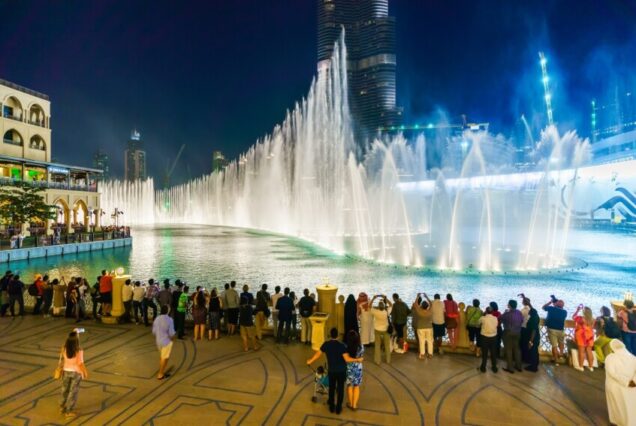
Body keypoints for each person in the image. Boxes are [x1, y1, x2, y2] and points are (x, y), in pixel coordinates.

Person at [307, 327, 363, 415]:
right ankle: (338, 408)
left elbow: (318, 354)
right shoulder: (342, 346)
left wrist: (310, 361)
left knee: (332, 388)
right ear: (338, 336)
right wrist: (357, 360)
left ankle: (332, 407)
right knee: (340, 389)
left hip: (332, 371)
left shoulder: (326, 344)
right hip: (341, 371)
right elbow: (347, 359)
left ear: (330, 335)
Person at [604, 339, 636, 426]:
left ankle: (618, 421)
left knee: (618, 405)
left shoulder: (610, 358)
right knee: (630, 405)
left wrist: (626, 382)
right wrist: (634, 381)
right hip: (632, 386)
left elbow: (612, 373)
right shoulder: (633, 358)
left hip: (616, 386)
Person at [58, 330, 88, 418]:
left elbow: (62, 358)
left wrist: (74, 332)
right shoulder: (79, 350)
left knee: (64, 389)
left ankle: (62, 407)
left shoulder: (64, 348)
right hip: (76, 373)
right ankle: (69, 411)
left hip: (66, 371)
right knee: (73, 391)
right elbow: (80, 363)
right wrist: (85, 372)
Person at [152, 305, 175, 380]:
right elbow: (171, 333)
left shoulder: (157, 319)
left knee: (163, 357)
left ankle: (162, 371)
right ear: (168, 311)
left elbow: (154, 331)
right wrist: (172, 339)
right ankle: (160, 374)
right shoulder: (169, 320)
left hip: (158, 341)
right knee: (164, 358)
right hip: (166, 342)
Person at [542, 296, 568, 365]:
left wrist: (550, 302)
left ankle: (556, 360)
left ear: (556, 304)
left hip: (552, 330)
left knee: (554, 346)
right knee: (561, 343)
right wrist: (557, 305)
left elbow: (543, 307)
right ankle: (561, 355)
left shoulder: (551, 308)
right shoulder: (565, 312)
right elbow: (560, 310)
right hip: (561, 330)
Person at [500, 299, 523, 373]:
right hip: (517, 332)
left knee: (508, 350)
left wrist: (504, 312)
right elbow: (522, 320)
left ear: (509, 305)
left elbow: (500, 318)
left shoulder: (507, 314)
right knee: (517, 349)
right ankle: (518, 366)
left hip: (508, 333)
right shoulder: (519, 312)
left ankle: (510, 368)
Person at [370, 294, 392, 365]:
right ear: (384, 306)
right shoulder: (387, 312)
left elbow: (369, 306)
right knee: (387, 345)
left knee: (377, 345)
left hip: (377, 329)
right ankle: (388, 360)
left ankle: (378, 361)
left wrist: (373, 298)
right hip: (385, 330)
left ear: (378, 306)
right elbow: (391, 305)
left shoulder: (375, 312)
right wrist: (385, 298)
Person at [572, 305, 596, 372]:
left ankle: (581, 366)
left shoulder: (580, 319)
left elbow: (573, 317)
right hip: (590, 336)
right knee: (589, 351)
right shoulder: (593, 320)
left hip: (582, 336)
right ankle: (591, 367)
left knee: (581, 351)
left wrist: (577, 310)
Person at [345, 330, 364, 411]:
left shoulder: (346, 347)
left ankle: (350, 403)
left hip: (349, 368)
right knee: (356, 386)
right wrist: (358, 360)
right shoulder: (361, 347)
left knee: (349, 386)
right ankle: (354, 405)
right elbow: (361, 357)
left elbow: (346, 359)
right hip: (358, 368)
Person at [413, 293, 434, 359]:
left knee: (421, 341)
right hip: (429, 328)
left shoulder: (419, 311)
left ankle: (422, 355)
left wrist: (417, 296)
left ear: (421, 306)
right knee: (430, 341)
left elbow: (415, 304)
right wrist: (426, 297)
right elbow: (431, 304)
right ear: (427, 306)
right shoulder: (430, 311)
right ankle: (430, 354)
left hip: (420, 328)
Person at [478, 306, 499, 373]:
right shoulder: (495, 318)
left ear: (486, 311)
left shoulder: (483, 318)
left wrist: (483, 315)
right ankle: (494, 367)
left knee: (484, 353)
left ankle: (483, 367)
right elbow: (496, 325)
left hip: (484, 337)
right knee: (493, 352)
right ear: (492, 312)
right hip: (493, 337)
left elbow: (478, 323)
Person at [524, 307, 540, 372]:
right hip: (536, 337)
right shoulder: (536, 317)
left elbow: (533, 330)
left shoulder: (533, 319)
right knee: (535, 351)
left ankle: (533, 367)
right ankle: (535, 364)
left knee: (533, 352)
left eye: (529, 312)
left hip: (533, 338)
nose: (528, 313)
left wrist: (530, 341)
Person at [519, 295, 532, 363]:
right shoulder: (531, 310)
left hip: (523, 328)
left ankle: (523, 358)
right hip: (529, 329)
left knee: (523, 343)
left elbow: (519, 319)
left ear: (524, 302)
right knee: (527, 344)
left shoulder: (523, 310)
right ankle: (527, 358)